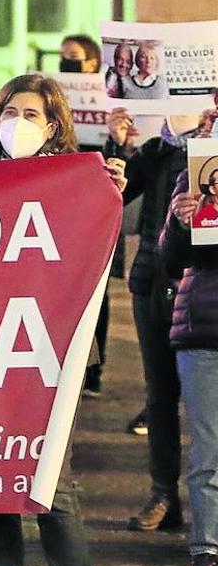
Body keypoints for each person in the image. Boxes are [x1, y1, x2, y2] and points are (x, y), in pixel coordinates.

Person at [0, 74, 123, 566]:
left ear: (53, 124)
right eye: (10, 110)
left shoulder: (79, 180)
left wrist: (108, 193)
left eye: (31, 113)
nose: (18, 122)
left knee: (52, 481)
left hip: (53, 347)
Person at [108, 110, 215, 531]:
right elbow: (118, 192)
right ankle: (163, 493)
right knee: (159, 392)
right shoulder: (160, 148)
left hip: (204, 285)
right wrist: (119, 146)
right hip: (154, 278)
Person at [159, 162, 218, 566]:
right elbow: (170, 262)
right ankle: (206, 557)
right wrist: (181, 224)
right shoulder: (197, 173)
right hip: (205, 331)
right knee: (208, 453)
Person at [61, 34, 113, 400]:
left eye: (75, 58)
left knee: (99, 284)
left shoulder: (107, 101)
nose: (68, 64)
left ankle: (95, 368)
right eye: (64, 59)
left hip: (97, 197)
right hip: (66, 198)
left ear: (93, 63)